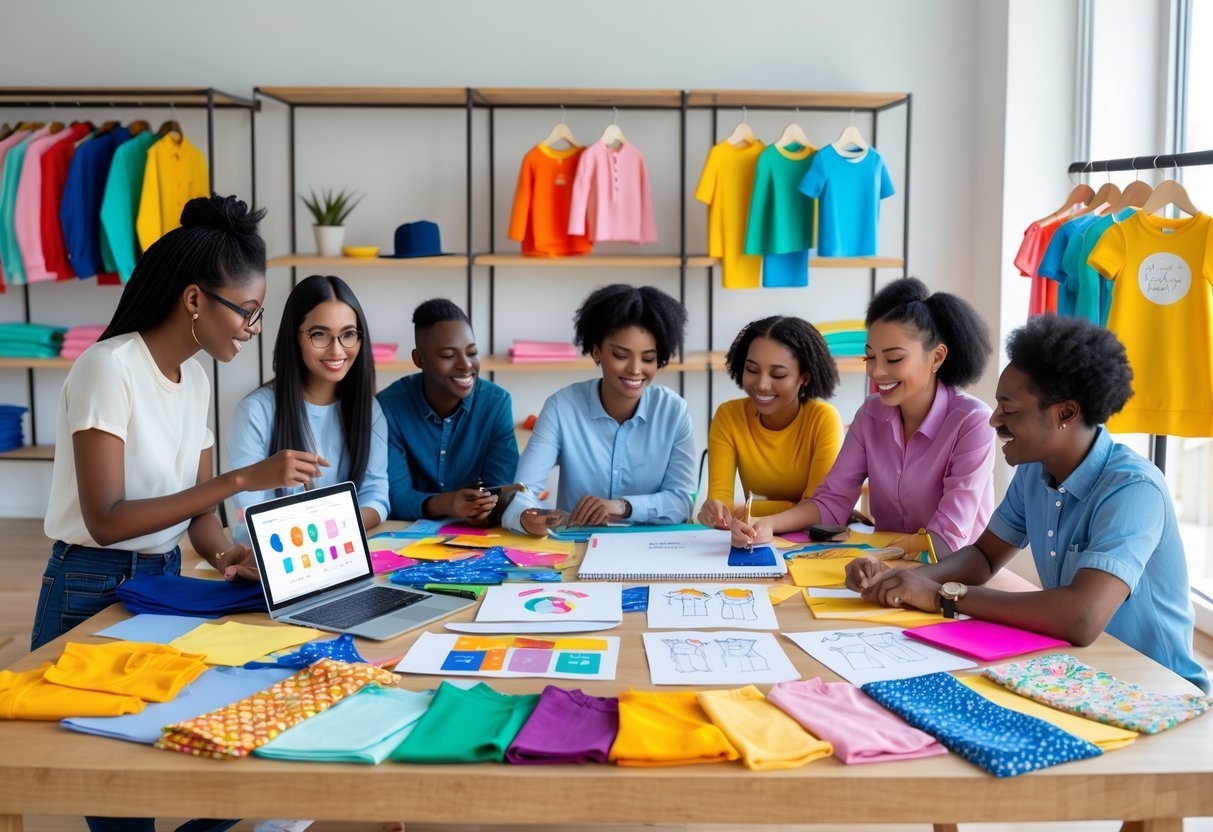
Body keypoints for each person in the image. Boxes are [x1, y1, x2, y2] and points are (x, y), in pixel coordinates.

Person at [35, 195, 323, 832]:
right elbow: (106, 518)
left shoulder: (194, 379)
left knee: (218, 773)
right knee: (122, 800)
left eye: (259, 312)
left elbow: (200, 520)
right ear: (195, 300)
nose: (252, 329)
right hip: (88, 584)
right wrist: (245, 477)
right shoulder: (107, 369)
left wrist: (227, 554)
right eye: (246, 312)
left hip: (164, 580)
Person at [846, 315, 1208, 692]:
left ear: (1065, 413)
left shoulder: (1133, 489)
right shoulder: (1035, 472)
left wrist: (942, 596)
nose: (993, 419)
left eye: (1010, 409)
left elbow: (1081, 618)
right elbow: (984, 557)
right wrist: (905, 581)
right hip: (1082, 674)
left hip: (1157, 688)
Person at [732, 277, 995, 556]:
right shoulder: (870, 414)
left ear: (937, 357)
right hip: (888, 566)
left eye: (893, 359)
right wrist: (766, 524)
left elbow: (950, 533)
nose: (877, 372)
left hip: (954, 574)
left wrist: (880, 559)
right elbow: (832, 500)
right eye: (869, 358)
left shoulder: (972, 422)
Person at [503, 284, 696, 535]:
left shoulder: (674, 412)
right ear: (597, 352)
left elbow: (682, 502)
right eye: (620, 355)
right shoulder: (562, 408)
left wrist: (622, 507)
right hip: (577, 545)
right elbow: (523, 490)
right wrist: (526, 517)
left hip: (650, 548)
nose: (636, 369)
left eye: (648, 359)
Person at [228, 274, 388, 530]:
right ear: (295, 337)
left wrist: (334, 531)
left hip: (344, 548)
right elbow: (249, 510)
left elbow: (376, 495)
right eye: (319, 334)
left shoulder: (370, 411)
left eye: (348, 334)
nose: (337, 351)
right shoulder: (256, 411)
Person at [378, 299, 518, 523]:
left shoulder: (496, 404)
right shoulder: (388, 407)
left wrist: (485, 507)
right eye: (448, 355)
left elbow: (501, 489)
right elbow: (393, 496)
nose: (466, 365)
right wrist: (448, 504)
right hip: (406, 532)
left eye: (472, 352)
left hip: (478, 535)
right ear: (419, 359)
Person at [697, 315, 842, 529]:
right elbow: (722, 507)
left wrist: (750, 511)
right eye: (752, 370)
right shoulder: (729, 416)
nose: (762, 385)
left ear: (805, 377)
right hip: (751, 536)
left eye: (778, 374)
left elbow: (818, 510)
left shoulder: (823, 420)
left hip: (808, 543)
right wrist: (713, 511)